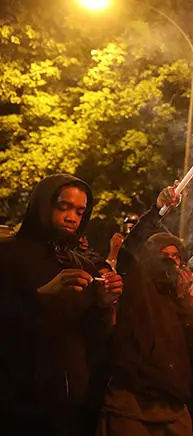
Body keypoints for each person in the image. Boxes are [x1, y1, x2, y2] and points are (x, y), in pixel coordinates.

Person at [0, 174, 123, 435]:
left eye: (79, 212)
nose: (71, 218)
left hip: (72, 406)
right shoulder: (8, 255)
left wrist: (104, 304)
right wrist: (43, 295)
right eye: (64, 207)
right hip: (16, 404)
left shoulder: (83, 265)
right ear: (43, 205)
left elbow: (94, 339)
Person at [97, 226, 193, 435]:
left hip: (172, 401)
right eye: (163, 255)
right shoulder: (136, 285)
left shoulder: (180, 297)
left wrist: (183, 299)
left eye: (175, 256)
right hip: (133, 403)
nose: (170, 261)